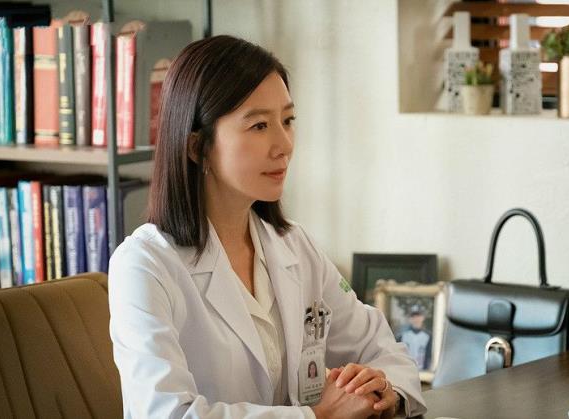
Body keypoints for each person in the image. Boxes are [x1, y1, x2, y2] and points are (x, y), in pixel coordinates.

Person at [108, 35, 426, 419]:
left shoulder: (294, 247)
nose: (284, 144)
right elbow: (165, 413)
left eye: (287, 121)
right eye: (259, 126)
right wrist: (316, 416)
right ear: (197, 146)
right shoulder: (144, 266)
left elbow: (382, 349)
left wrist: (383, 389)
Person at [396, 305, 432, 370]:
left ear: (423, 317)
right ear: (410, 319)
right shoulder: (403, 336)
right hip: (406, 370)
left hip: (423, 372)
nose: (416, 319)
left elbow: (429, 357)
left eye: (418, 316)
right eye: (413, 316)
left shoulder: (428, 337)